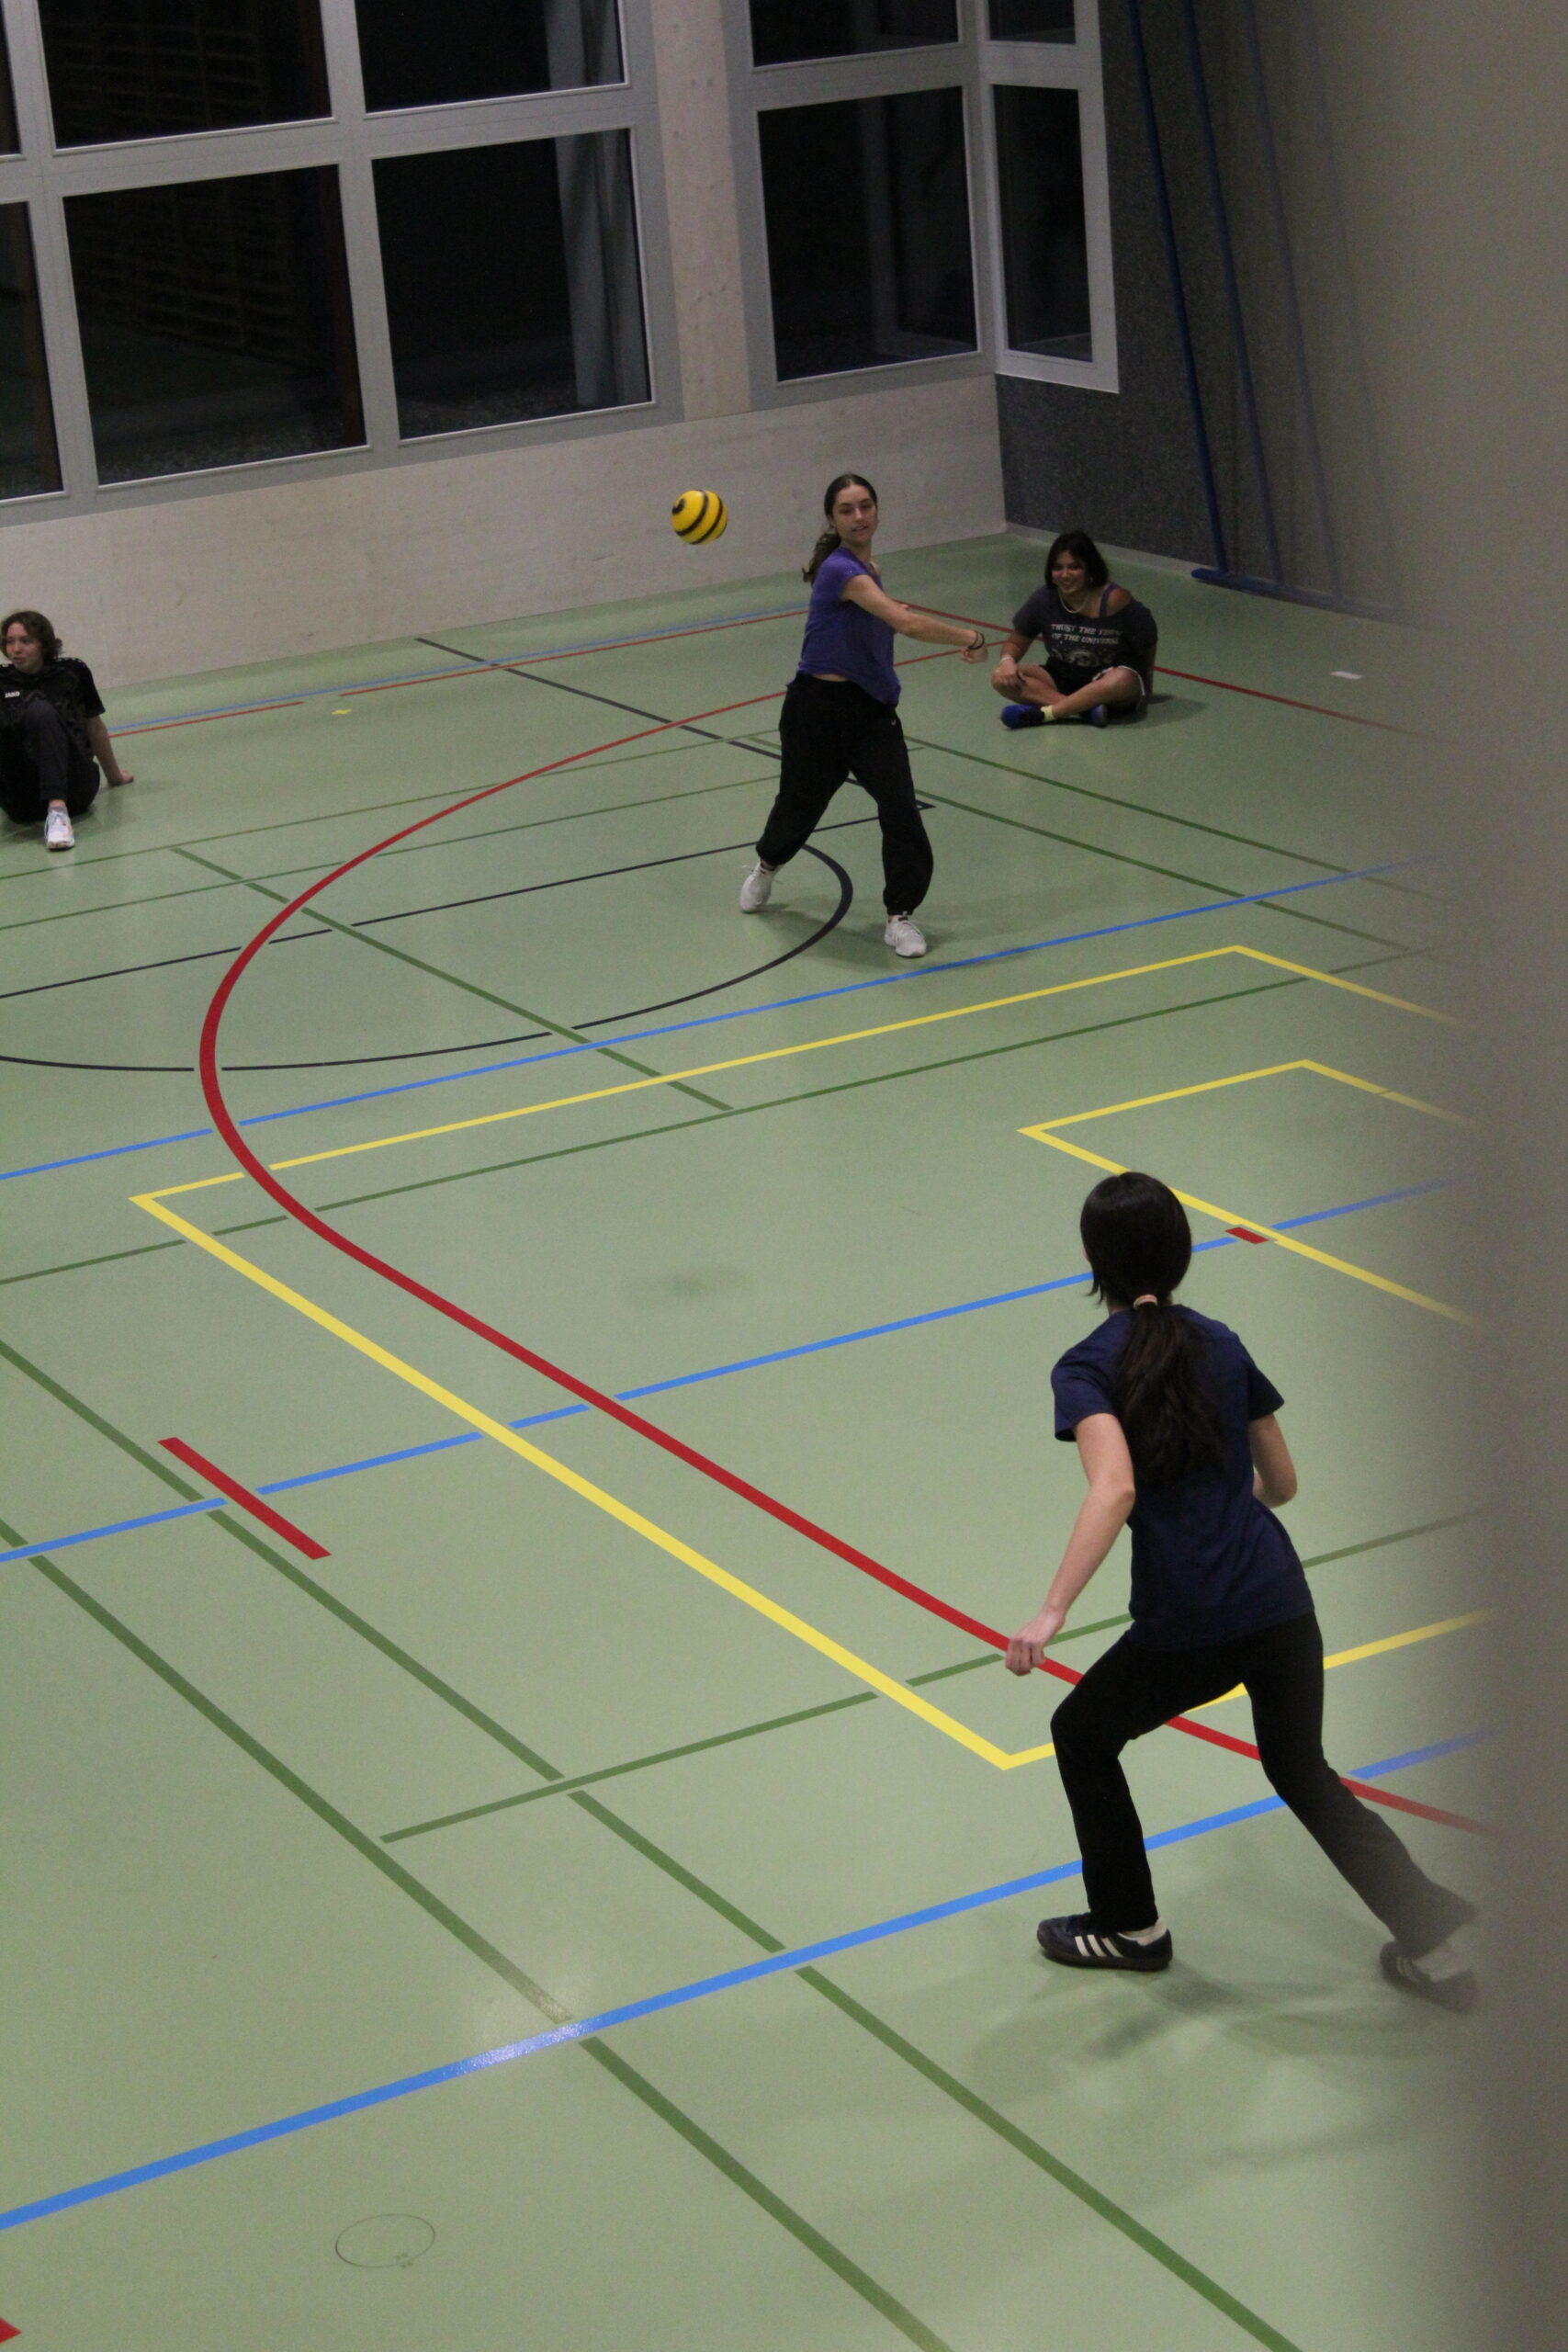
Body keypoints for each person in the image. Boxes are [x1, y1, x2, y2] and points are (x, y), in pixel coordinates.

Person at [1005, 1170, 1478, 2009]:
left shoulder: (1087, 1367)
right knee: (1302, 1770)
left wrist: (1051, 1611)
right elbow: (1282, 1482)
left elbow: (1113, 1486)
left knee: (1080, 1733)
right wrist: (1223, 1508)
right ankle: (1437, 1950)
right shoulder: (1220, 1342)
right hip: (1279, 1601)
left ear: (1092, 1260)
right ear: (1180, 1254)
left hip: (1188, 1619)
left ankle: (1129, 1926)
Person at [739, 474, 989, 959]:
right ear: (832, 519)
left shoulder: (869, 569)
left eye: (866, 506)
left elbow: (874, 627)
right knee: (799, 805)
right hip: (815, 710)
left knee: (900, 807)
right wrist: (971, 638)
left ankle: (900, 916)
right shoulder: (839, 570)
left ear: (877, 510)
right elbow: (906, 624)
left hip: (869, 714)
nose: (859, 517)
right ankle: (767, 865)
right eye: (847, 510)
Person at [991, 530, 1156, 729]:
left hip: (1107, 682)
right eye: (1058, 568)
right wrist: (1007, 662)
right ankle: (1085, 711)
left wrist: (1147, 680)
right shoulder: (1044, 599)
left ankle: (1047, 713)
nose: (1065, 575)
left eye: (1074, 567)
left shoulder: (1113, 599)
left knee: (1122, 679)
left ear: (1089, 568)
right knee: (1000, 677)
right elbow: (1016, 642)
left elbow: (1148, 638)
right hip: (1061, 677)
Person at [0, 609, 133, 852]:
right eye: (10, 642)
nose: (15, 649)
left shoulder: (72, 672)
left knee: (40, 711)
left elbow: (94, 727)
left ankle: (57, 813)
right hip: (22, 798)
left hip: (75, 789)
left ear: (43, 644)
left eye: (25, 641)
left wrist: (115, 776)